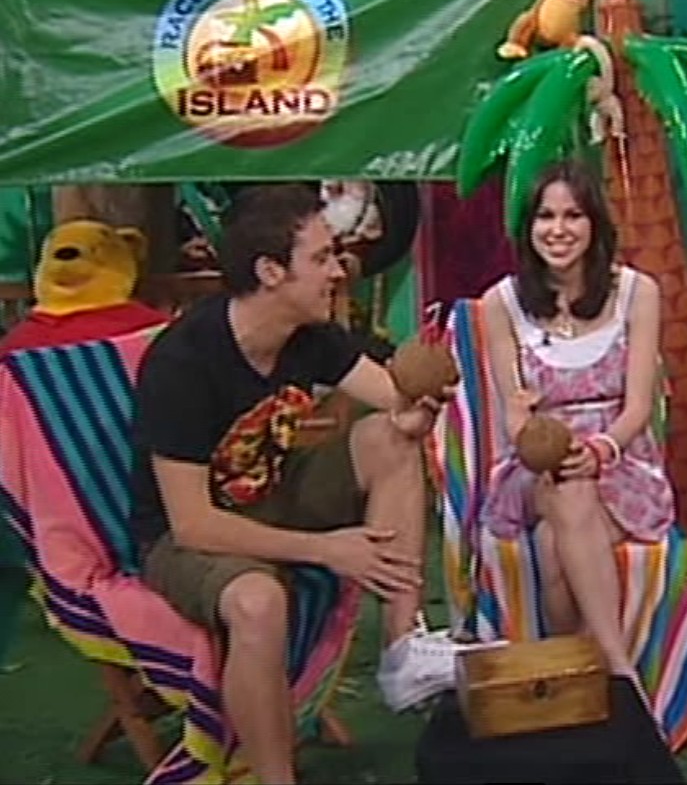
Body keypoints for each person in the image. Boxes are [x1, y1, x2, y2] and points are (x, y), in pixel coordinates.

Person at [129, 183, 456, 785]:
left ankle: (402, 651)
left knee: (389, 439)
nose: (339, 270)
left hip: (272, 495)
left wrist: (417, 410)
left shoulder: (312, 336)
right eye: (322, 257)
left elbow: (395, 401)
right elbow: (192, 524)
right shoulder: (183, 363)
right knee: (258, 602)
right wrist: (327, 549)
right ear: (271, 271)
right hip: (190, 536)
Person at [480, 159, 672, 700]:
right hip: (536, 465)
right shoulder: (502, 304)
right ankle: (619, 672)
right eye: (545, 216)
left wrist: (601, 450)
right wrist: (532, 431)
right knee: (567, 489)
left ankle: (581, 682)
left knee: (553, 544)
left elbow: (638, 408)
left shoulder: (637, 293)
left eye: (573, 216)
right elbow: (514, 414)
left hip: (620, 457)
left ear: (595, 224)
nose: (558, 230)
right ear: (528, 227)